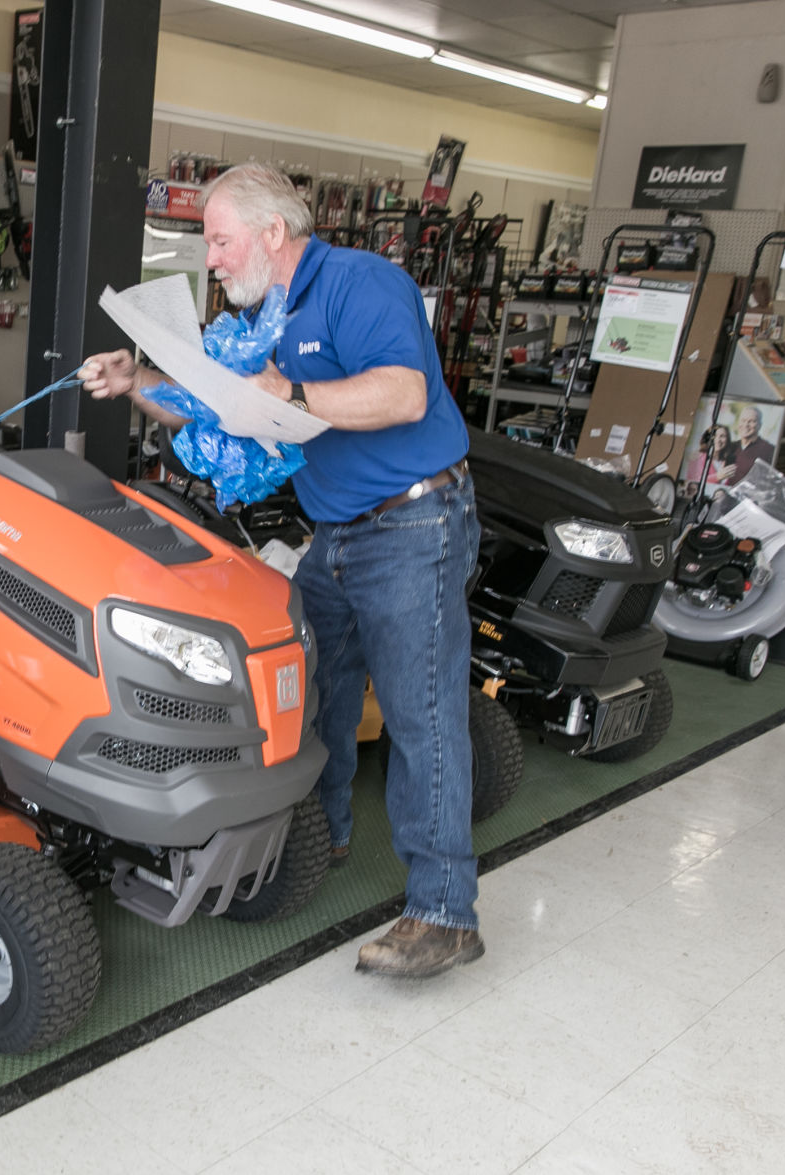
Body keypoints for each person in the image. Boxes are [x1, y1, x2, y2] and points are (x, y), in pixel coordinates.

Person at [82, 163, 481, 978]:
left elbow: (404, 393)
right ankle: (324, 832)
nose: (214, 261)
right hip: (334, 533)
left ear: (272, 232)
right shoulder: (270, 312)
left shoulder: (361, 284)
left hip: (412, 524)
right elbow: (213, 403)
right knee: (313, 693)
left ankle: (445, 911)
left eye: (221, 242)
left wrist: (291, 388)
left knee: (420, 714)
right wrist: (137, 383)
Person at [721, 405, 776, 485]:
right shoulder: (731, 446)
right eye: (743, 420)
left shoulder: (769, 450)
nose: (746, 425)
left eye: (751, 421)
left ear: (759, 425)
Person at [683, 425, 737, 492]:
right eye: (714, 436)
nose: (718, 439)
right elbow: (694, 481)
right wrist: (717, 477)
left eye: (722, 436)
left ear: (727, 440)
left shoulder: (727, 460)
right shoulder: (697, 457)